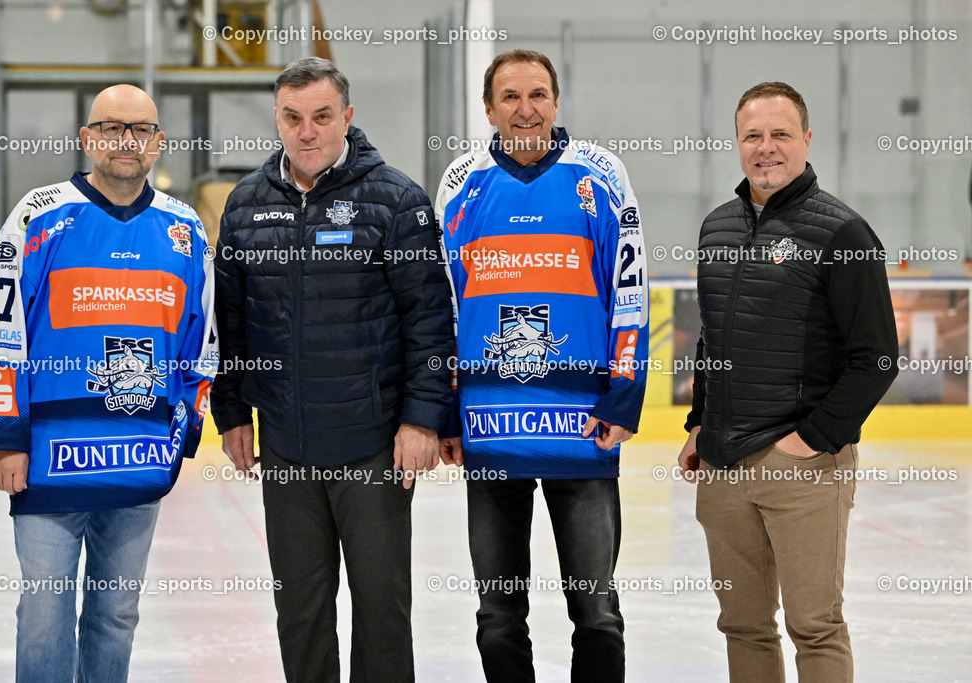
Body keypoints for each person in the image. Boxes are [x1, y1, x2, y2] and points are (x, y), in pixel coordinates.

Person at [209, 57, 452, 682]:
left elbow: (429, 320)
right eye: (293, 118)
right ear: (278, 119)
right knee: (300, 611)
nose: (307, 132)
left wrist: (422, 421)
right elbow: (231, 323)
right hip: (287, 449)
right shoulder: (245, 205)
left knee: (381, 610)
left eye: (321, 117)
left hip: (372, 448)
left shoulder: (397, 201)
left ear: (347, 116)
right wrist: (232, 409)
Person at [0, 84, 217, 682]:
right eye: (111, 128)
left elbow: (203, 344)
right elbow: (1, 328)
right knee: (44, 612)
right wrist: (6, 434)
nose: (125, 140)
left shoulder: (184, 230)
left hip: (137, 462)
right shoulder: (39, 215)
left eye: (139, 129)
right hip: (48, 462)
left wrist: (178, 438)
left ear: (159, 142)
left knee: (115, 614)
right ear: (88, 138)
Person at [436, 49, 649, 683]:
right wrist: (446, 408)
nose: (525, 109)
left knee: (597, 611)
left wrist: (622, 395)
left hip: (582, 429)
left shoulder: (602, 176)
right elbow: (443, 306)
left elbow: (628, 290)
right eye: (510, 97)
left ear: (556, 103)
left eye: (537, 95)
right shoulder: (461, 182)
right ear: (488, 108)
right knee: (499, 613)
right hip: (490, 427)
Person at [677, 82, 898, 683]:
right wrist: (700, 423)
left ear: (806, 139)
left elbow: (876, 357)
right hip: (722, 465)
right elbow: (712, 339)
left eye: (780, 134)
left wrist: (811, 442)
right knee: (743, 625)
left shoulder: (843, 232)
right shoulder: (716, 227)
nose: (766, 147)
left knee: (814, 626)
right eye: (753, 135)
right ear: (738, 143)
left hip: (801, 468)